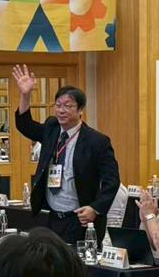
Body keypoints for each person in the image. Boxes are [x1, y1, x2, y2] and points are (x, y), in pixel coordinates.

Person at [12, 65, 120, 244]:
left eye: (68, 106)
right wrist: (25, 95)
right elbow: (25, 125)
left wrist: (95, 208)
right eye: (58, 105)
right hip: (52, 217)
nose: (61, 110)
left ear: (80, 110)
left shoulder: (97, 141)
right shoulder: (52, 128)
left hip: (81, 219)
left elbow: (112, 180)